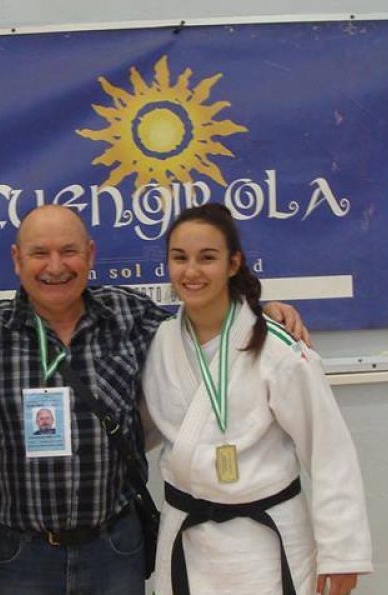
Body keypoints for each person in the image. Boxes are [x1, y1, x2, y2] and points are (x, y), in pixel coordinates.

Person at [0, 204, 306, 595]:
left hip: (114, 546)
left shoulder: (129, 316)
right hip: (19, 553)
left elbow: (203, 324)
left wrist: (260, 311)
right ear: (16, 260)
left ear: (90, 254)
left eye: (69, 251)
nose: (56, 266)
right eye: (39, 253)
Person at [142, 203, 372, 595]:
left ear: (234, 264)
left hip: (265, 540)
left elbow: (328, 450)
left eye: (207, 258)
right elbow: (142, 432)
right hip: (186, 536)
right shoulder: (158, 341)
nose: (191, 271)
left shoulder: (277, 348)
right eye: (179, 258)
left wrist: (341, 553)